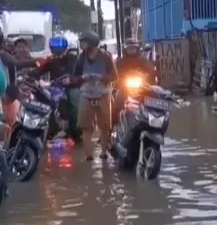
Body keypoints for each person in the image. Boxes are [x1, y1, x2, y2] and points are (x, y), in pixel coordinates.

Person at [72, 31, 118, 161]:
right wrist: (82, 78)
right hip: (86, 94)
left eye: (84, 42)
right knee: (85, 126)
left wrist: (101, 77)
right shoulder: (80, 58)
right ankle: (88, 156)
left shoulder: (106, 57)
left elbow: (115, 77)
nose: (82, 45)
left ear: (92, 43)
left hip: (103, 93)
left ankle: (104, 152)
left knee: (105, 126)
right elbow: (74, 78)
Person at [0, 29, 39, 141]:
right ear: (2, 41)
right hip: (7, 92)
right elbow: (17, 63)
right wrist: (36, 62)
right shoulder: (2, 54)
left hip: (0, 91)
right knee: (14, 120)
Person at [28, 36, 81, 141]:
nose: (57, 52)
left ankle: (76, 131)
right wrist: (29, 75)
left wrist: (66, 78)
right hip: (55, 88)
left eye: (60, 49)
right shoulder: (51, 61)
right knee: (43, 99)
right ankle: (50, 129)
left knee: (74, 105)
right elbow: (40, 70)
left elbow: (71, 71)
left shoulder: (71, 58)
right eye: (55, 49)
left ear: (65, 48)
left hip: (70, 86)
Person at [113, 38, 156, 125]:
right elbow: (115, 74)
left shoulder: (143, 61)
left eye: (133, 48)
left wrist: (146, 77)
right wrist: (121, 79)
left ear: (137, 49)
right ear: (125, 49)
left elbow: (150, 72)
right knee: (118, 102)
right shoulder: (120, 62)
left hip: (142, 88)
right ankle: (113, 125)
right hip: (125, 88)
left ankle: (155, 124)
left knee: (154, 99)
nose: (131, 50)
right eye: (129, 48)